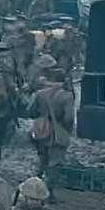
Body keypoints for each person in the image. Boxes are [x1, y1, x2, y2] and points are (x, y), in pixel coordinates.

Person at [28, 59, 75, 190]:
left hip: (41, 130)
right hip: (57, 132)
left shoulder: (41, 93)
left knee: (42, 160)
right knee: (55, 163)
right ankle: (48, 191)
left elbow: (31, 111)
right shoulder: (67, 96)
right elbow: (69, 118)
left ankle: (35, 185)